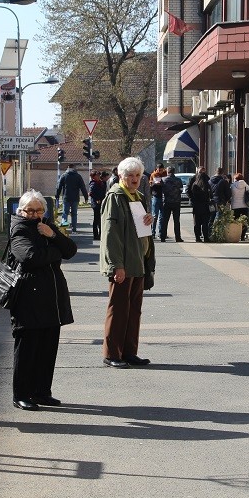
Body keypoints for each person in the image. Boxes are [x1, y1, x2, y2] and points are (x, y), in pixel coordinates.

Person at [8, 190, 77, 411]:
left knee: (48, 347)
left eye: (39, 211)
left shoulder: (47, 226)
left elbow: (71, 250)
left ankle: (41, 391)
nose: (34, 215)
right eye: (30, 211)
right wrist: (55, 252)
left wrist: (53, 236)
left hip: (52, 297)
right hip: (29, 297)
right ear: (21, 211)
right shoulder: (19, 229)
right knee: (27, 347)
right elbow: (30, 257)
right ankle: (21, 394)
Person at [99, 156, 155, 368]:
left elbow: (139, 229)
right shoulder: (115, 197)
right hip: (123, 263)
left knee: (133, 311)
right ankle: (112, 354)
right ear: (121, 176)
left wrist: (148, 219)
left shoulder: (137, 196)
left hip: (138, 261)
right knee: (119, 309)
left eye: (137, 175)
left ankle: (129, 352)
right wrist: (116, 265)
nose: (134, 179)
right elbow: (110, 234)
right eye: (130, 175)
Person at [56, 164, 88, 232]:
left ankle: (64, 229)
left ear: (68, 168)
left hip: (66, 197)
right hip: (75, 198)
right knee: (74, 214)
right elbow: (83, 187)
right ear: (74, 168)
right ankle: (74, 229)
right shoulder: (78, 176)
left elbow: (59, 187)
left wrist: (57, 196)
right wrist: (86, 197)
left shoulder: (64, 176)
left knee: (65, 213)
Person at [187, 167, 212, 242]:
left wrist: (192, 199)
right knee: (205, 222)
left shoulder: (195, 181)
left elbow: (189, 190)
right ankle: (205, 237)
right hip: (204, 204)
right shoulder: (206, 180)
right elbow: (210, 191)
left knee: (197, 222)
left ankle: (198, 237)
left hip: (197, 204)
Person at [160, 167, 184, 242]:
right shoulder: (178, 180)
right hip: (176, 202)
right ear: (174, 172)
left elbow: (161, 190)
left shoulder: (163, 180)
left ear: (167, 172)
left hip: (167, 202)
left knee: (165, 220)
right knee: (176, 221)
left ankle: (163, 237)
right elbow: (181, 190)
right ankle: (178, 237)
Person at [230, 172, 249, 240]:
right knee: (244, 221)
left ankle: (236, 235)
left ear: (235, 179)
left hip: (235, 206)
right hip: (244, 206)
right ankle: (242, 236)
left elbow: (230, 194)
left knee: (235, 222)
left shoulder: (232, 186)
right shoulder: (246, 185)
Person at [89, 170, 107, 241]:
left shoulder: (101, 182)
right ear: (93, 177)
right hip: (96, 203)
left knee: (100, 219)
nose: (98, 176)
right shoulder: (93, 183)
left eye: (99, 175)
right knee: (96, 219)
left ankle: (101, 234)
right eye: (97, 175)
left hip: (101, 202)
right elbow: (91, 193)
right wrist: (97, 199)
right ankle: (96, 235)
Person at [149, 164, 166, 239]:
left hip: (163, 197)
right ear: (156, 169)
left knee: (162, 217)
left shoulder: (165, 174)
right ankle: (153, 233)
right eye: (159, 170)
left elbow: (165, 184)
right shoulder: (153, 175)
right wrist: (154, 183)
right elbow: (150, 185)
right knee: (155, 216)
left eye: (161, 170)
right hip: (156, 196)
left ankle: (161, 233)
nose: (160, 171)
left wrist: (162, 182)